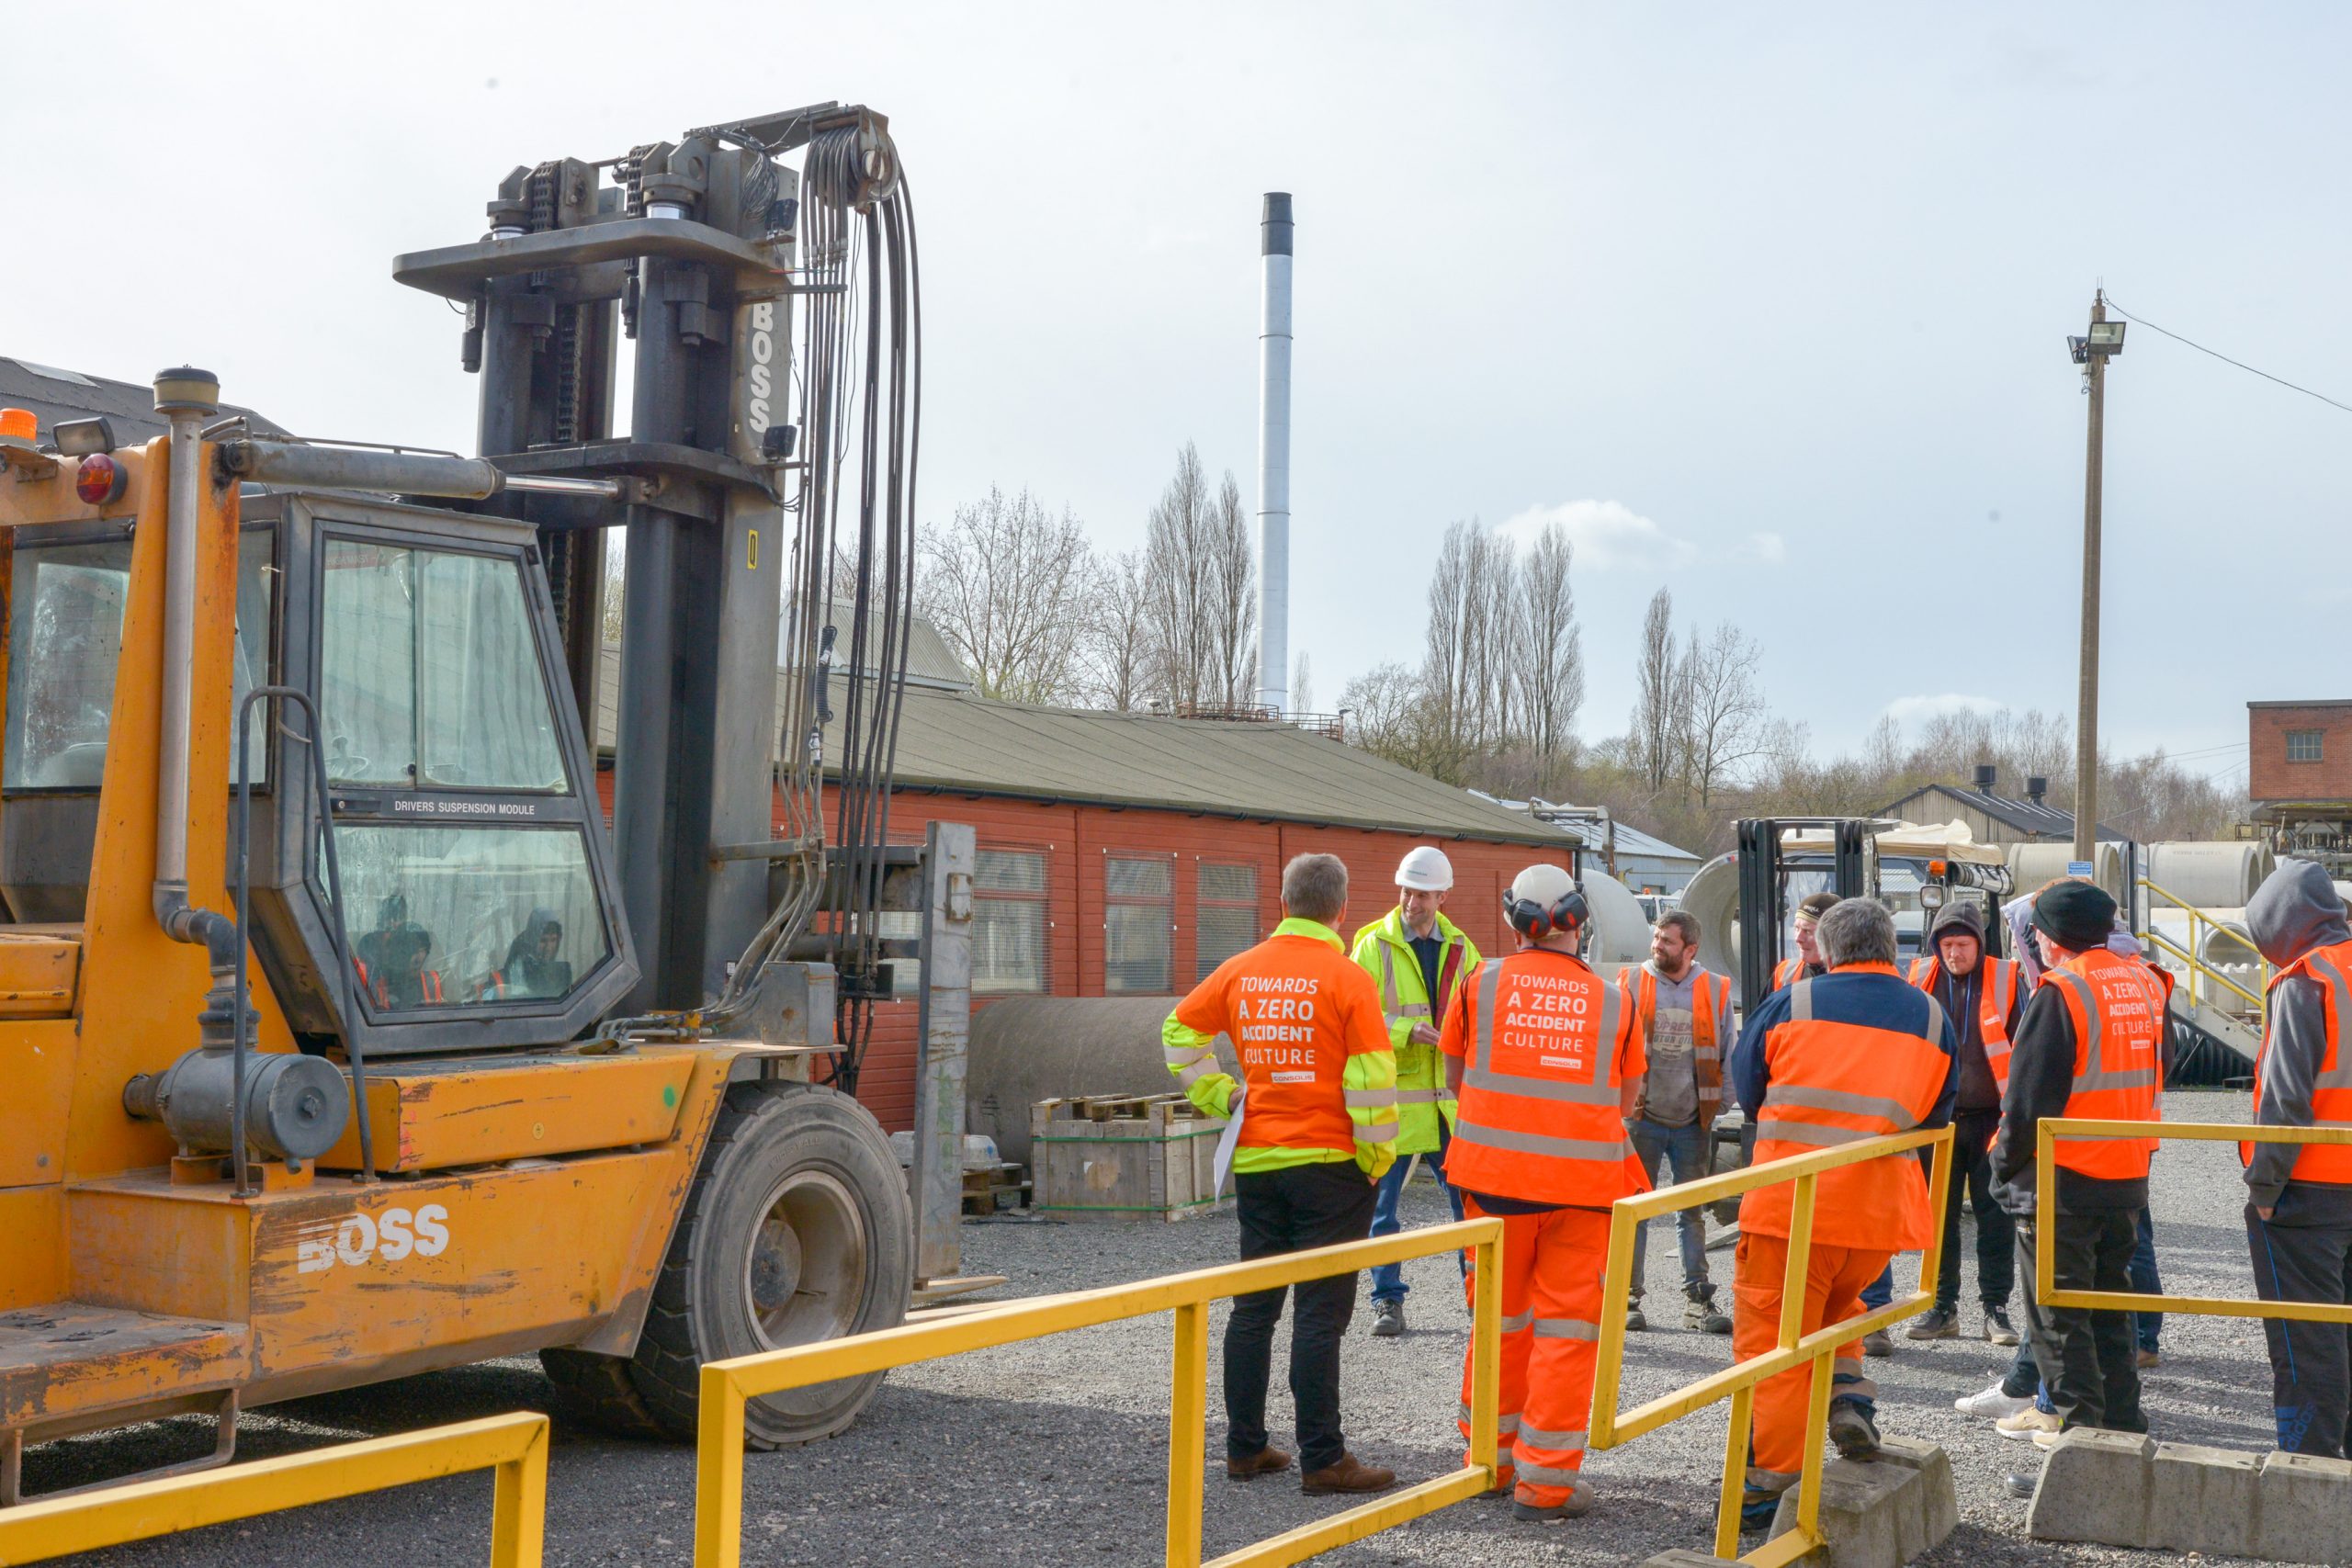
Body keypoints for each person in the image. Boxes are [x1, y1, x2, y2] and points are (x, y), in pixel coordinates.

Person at [1162, 852, 1399, 1495]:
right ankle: (1324, 1458)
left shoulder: (1240, 970)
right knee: (1320, 1315)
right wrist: (1375, 1163)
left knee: (1254, 1308)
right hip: (1330, 1169)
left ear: (1283, 904)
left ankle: (1245, 1447)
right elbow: (1372, 1084)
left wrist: (1220, 1093)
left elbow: (1178, 1030)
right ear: (1342, 910)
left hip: (1258, 1161)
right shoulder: (1349, 978)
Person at [1729, 897, 1957, 1530]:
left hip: (1790, 1208)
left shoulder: (1795, 1001)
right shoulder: (1932, 1015)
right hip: (1876, 1214)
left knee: (1775, 1348)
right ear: (1891, 947)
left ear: (1827, 950)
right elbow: (1937, 1114)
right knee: (1838, 1310)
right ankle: (1848, 1394)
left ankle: (1771, 1489)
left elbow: (1747, 1090)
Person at [1441, 863, 1647, 1521]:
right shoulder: (1617, 998)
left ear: (1515, 921)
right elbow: (1627, 1098)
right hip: (1585, 1189)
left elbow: (1456, 1074)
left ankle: (1491, 1461)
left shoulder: (1480, 982)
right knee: (1566, 1331)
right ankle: (1545, 1483)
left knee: (1499, 1322)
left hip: (1493, 1186)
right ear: (1578, 920)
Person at [1988, 879, 2163, 1450]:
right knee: (2111, 1308)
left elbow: (2028, 1098)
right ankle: (2123, 1426)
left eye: (2037, 930)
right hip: (2128, 1171)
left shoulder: (2063, 990)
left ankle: (2082, 1440)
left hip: (2065, 1178)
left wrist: (2002, 1167)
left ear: (2052, 936)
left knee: (2059, 1318)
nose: (2033, 939)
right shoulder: (2141, 980)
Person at [2242, 860, 2352, 1459]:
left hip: (2307, 1194)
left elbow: (2285, 1099)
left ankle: (2307, 1475)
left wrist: (2263, 1187)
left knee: (2307, 1345)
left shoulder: (2306, 980)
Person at [1351, 846, 1479, 1337]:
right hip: (1394, 1104)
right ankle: (1386, 1300)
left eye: (1422, 894)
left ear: (1443, 895)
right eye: (1406, 891)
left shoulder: (1463, 949)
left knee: (1467, 1211)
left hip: (1448, 1104)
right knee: (1382, 1212)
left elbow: (1476, 1017)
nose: (1411, 901)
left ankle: (1478, 1298)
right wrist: (1407, 1030)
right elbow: (1354, 1017)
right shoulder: (1372, 945)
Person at [1903, 901, 2027, 1346]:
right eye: (1947, 945)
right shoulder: (1918, 979)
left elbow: (2024, 1048)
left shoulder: (2007, 978)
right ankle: (1941, 1306)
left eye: (1963, 944)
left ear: (1980, 943)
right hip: (1935, 1122)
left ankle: (1995, 1308)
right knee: (1937, 1218)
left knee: (1995, 1217)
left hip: (1992, 1120)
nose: (1954, 954)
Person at [1622, 908, 1734, 1336]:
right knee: (1635, 1210)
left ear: (1690, 949)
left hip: (1693, 1120)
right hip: (1641, 1116)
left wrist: (1723, 1102)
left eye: (1667, 941)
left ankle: (1698, 1300)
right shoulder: (1631, 982)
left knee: (1693, 1212)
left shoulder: (1714, 988)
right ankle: (1628, 1298)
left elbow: (1728, 1046)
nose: (1657, 946)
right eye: (1656, 938)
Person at [492, 908, 575, 999]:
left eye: (553, 940)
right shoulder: (518, 970)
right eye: (543, 940)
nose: (548, 947)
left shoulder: (561, 972)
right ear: (532, 939)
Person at [1770, 892, 1840, 990]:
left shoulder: (1854, 978)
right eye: (1796, 928)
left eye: (1807, 931)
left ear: (1833, 935)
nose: (1798, 939)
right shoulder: (1785, 972)